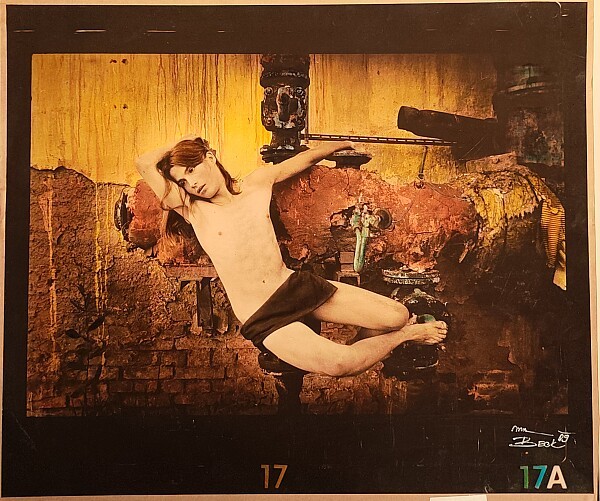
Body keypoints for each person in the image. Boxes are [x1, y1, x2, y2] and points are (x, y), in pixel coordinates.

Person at [136, 136, 447, 377]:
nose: (192, 183)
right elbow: (144, 163)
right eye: (183, 181)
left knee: (395, 315)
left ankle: (368, 347)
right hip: (263, 315)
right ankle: (407, 336)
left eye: (192, 169)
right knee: (340, 365)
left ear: (210, 156)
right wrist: (182, 143)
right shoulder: (192, 209)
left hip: (293, 286)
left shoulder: (256, 184)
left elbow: (300, 161)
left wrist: (337, 146)